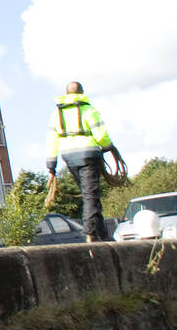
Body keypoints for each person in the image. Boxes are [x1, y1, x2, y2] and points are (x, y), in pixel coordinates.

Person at [44, 81, 124, 242]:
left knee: (89, 195)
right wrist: (109, 148)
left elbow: (51, 142)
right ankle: (90, 233)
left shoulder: (56, 115)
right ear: (82, 93)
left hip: (69, 158)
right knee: (91, 195)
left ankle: (101, 235)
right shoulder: (89, 110)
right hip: (88, 155)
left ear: (66, 95)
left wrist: (51, 166)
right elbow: (101, 136)